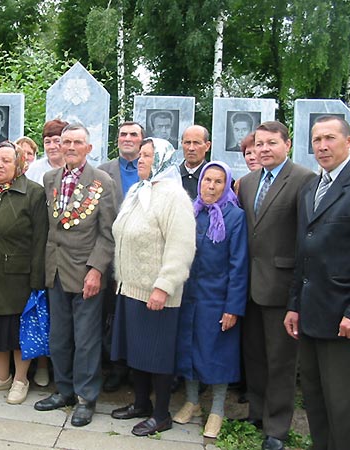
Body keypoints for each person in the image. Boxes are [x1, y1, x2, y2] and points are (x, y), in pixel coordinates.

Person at [284, 116, 350, 449]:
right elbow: (303, 253)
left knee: (346, 406)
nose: (322, 146)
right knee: (315, 400)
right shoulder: (311, 187)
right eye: (317, 140)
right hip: (310, 314)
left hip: (345, 317)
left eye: (330, 138)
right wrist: (294, 305)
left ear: (348, 142)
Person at [236, 121, 315, 450]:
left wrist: (298, 294)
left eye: (271, 143)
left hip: (282, 286)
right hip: (249, 286)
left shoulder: (302, 179)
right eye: (259, 144)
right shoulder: (248, 183)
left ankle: (277, 429)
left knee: (281, 361)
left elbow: (305, 238)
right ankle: (257, 411)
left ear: (287, 144)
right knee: (253, 356)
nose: (263, 149)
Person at [109, 138, 195, 436]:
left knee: (157, 355)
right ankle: (141, 403)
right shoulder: (137, 191)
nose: (141, 159)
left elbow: (181, 246)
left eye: (148, 155)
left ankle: (161, 414)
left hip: (156, 292)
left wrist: (164, 286)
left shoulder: (174, 196)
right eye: (141, 155)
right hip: (130, 287)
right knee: (137, 352)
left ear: (163, 160)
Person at [34, 123, 117, 427]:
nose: (69, 147)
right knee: (59, 338)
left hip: (86, 275)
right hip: (55, 269)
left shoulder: (102, 182)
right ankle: (64, 390)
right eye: (65, 141)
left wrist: (96, 270)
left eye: (76, 142)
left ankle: (86, 398)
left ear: (88, 148)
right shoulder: (50, 178)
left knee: (86, 341)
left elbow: (108, 234)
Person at [173, 161, 248, 438]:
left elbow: (239, 266)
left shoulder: (234, 217)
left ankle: (217, 409)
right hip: (190, 296)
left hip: (218, 298)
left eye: (218, 182)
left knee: (218, 355)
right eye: (207, 180)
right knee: (189, 349)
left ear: (226, 185)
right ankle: (192, 402)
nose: (211, 186)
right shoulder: (191, 213)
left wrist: (233, 307)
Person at [0, 141, 48, 405]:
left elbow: (40, 239)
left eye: (6, 161)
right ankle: (2, 376)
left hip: (19, 275)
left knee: (19, 331)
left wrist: (37, 279)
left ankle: (20, 380)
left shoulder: (34, 193)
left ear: (19, 165)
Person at [97, 121, 144, 392]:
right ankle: (115, 367)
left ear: (142, 141)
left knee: (135, 313)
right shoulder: (104, 172)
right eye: (123, 134)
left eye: (133, 135)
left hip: (140, 257)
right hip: (110, 254)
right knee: (111, 314)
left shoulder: (151, 170)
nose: (127, 139)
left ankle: (138, 368)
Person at [25, 119, 69, 185]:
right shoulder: (35, 169)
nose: (52, 146)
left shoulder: (75, 168)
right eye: (47, 142)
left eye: (57, 141)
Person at [180, 125, 211, 198]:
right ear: (182, 144)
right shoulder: (172, 177)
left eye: (196, 143)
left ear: (207, 146)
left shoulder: (216, 179)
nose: (191, 148)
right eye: (187, 142)